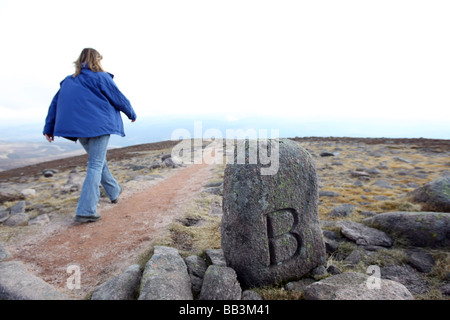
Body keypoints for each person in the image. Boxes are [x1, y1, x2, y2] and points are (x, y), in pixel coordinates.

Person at [43, 48, 137, 223]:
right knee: (95, 163)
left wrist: (49, 127)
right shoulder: (101, 77)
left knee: (98, 161)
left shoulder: (68, 82)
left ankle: (114, 190)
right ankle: (86, 210)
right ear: (97, 60)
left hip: (79, 129)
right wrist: (131, 113)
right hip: (100, 126)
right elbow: (118, 98)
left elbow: (55, 105)